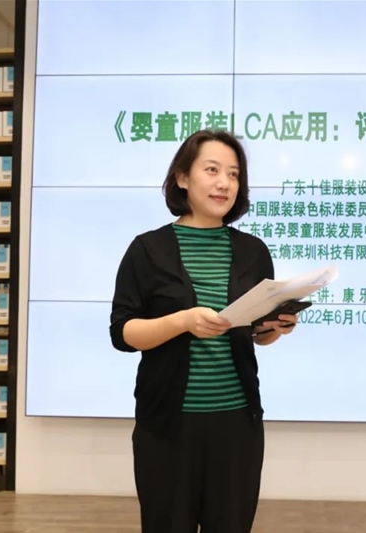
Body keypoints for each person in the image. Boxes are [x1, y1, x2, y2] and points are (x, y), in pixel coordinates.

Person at [109, 129, 299, 533]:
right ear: (182, 177)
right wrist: (183, 321)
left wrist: (276, 328)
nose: (224, 183)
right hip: (168, 426)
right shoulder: (147, 249)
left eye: (233, 174)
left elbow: (256, 335)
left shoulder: (253, 251)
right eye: (212, 170)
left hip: (237, 425)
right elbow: (123, 332)